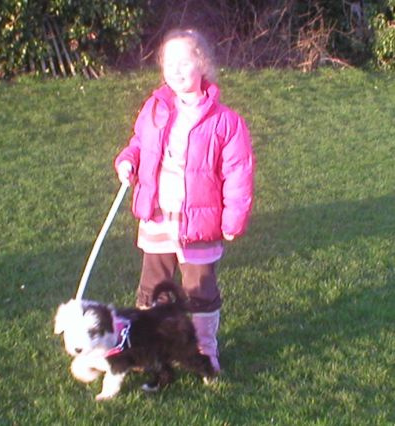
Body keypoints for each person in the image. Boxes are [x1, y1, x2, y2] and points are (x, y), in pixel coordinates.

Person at [114, 28, 254, 375]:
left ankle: (204, 348)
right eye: (169, 62)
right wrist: (128, 160)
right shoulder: (155, 108)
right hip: (158, 215)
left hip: (199, 222)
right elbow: (139, 143)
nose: (176, 70)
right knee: (152, 287)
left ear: (202, 64)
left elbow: (238, 173)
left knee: (199, 288)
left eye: (185, 61)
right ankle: (148, 346)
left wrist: (233, 220)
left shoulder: (226, 121)